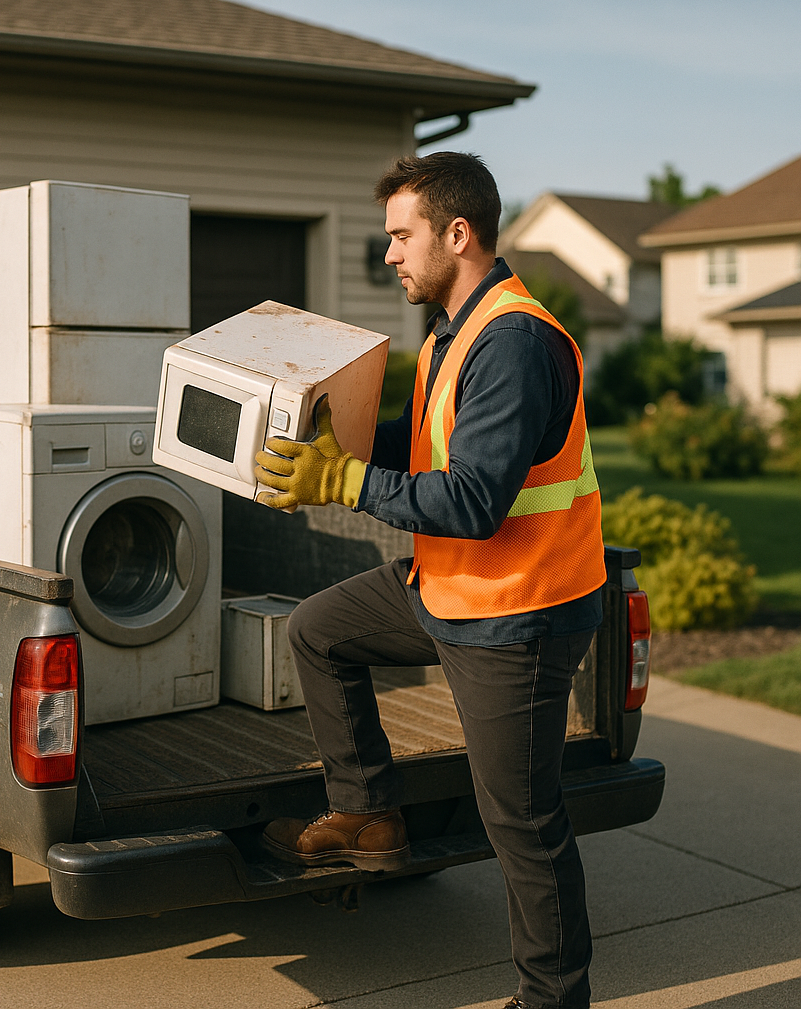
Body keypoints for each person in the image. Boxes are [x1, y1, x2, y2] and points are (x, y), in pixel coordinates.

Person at [252, 152, 606, 1009]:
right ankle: (368, 810)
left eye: (400, 236)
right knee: (319, 629)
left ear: (459, 233)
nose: (389, 254)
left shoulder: (513, 339)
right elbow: (435, 465)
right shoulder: (456, 329)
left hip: (517, 611)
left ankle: (553, 999)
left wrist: (343, 482)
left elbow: (477, 499)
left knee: (523, 825)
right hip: (451, 587)